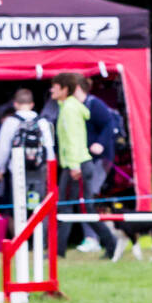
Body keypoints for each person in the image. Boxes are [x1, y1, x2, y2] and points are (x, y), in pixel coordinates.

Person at [51, 73, 122, 261]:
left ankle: (110, 243)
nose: (51, 90)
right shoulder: (68, 107)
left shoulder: (70, 109)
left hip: (77, 165)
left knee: (78, 209)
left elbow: (74, 139)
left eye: (55, 87)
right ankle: (59, 251)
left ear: (65, 89)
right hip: (76, 163)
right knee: (73, 208)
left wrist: (74, 166)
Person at [0, 88, 55, 224]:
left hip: (17, 169)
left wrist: (0, 169)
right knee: (38, 203)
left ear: (15, 104)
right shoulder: (42, 122)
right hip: (39, 170)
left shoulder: (10, 122)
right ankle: (40, 240)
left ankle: (20, 238)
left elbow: (3, 149)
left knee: (19, 205)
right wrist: (50, 169)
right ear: (32, 104)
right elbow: (49, 148)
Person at [73, 76, 118, 252]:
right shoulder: (74, 106)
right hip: (86, 159)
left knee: (88, 197)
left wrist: (100, 143)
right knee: (86, 198)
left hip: (99, 160)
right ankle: (95, 237)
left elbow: (109, 124)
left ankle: (93, 238)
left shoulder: (94, 104)